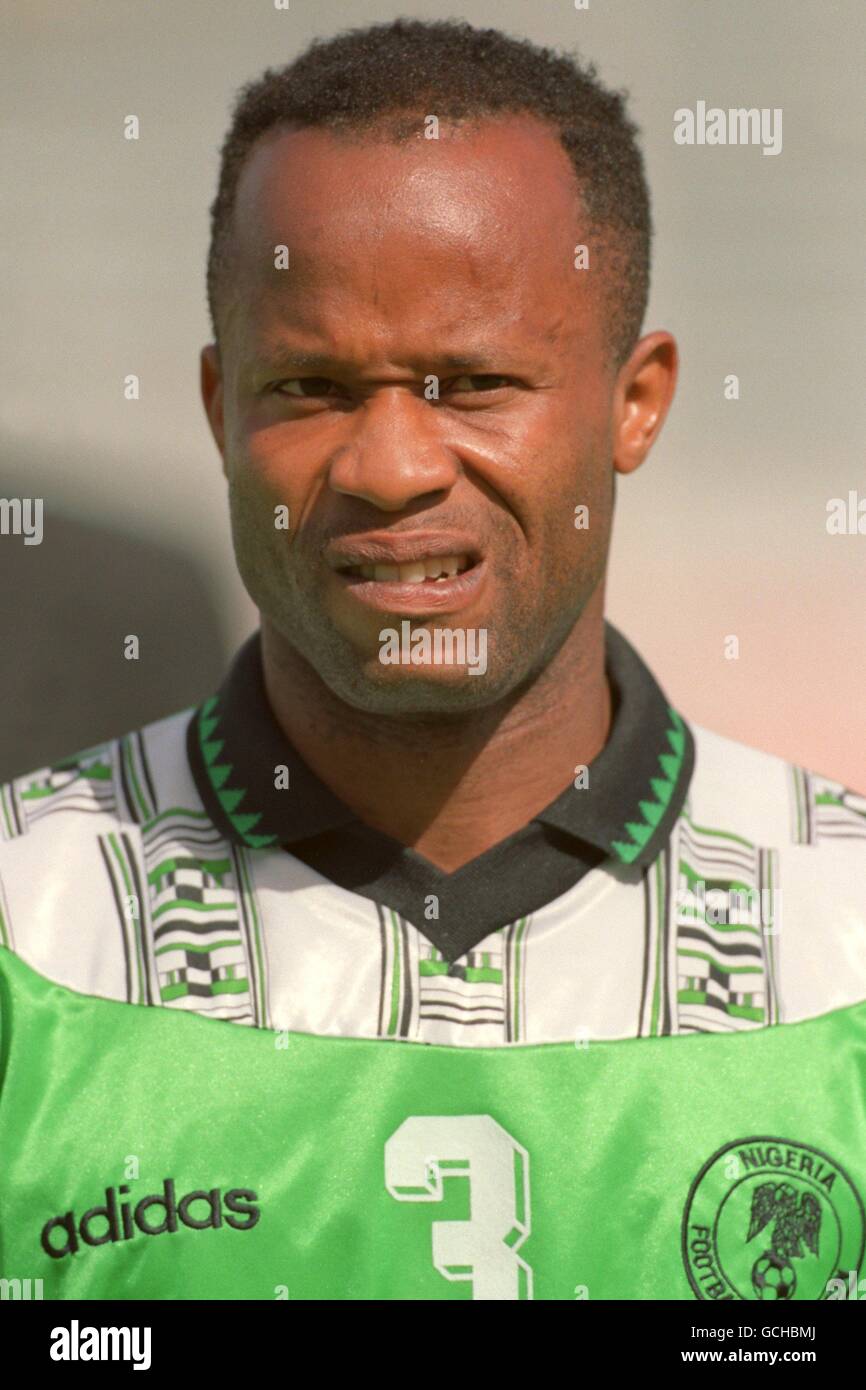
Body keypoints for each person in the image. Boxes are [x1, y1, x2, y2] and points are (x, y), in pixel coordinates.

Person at [1, 18, 864, 1303]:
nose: (390, 466)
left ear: (634, 404)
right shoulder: (29, 933)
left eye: (469, 382)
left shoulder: (840, 938)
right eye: (309, 388)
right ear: (216, 407)